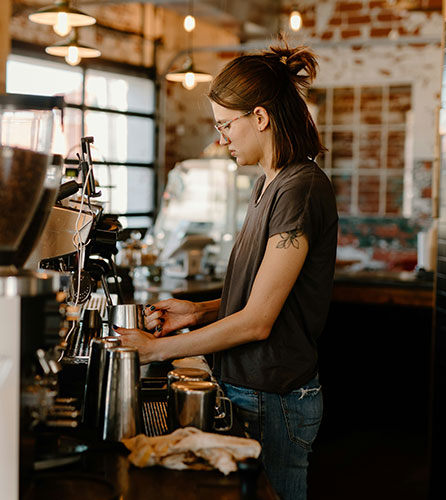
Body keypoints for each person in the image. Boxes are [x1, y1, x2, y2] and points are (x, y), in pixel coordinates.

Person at [115, 41, 338, 500]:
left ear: (260, 117)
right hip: (252, 390)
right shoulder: (267, 183)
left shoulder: (300, 189)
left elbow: (259, 320)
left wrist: (158, 353)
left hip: (275, 397)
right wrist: (198, 312)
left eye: (225, 125)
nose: (221, 139)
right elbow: (267, 294)